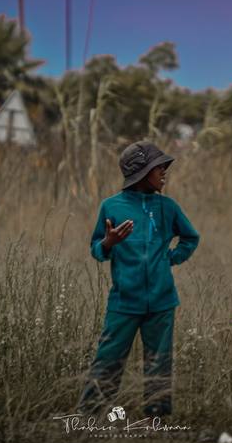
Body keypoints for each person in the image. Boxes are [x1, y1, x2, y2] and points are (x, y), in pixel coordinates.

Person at [77, 141, 199, 417]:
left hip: (162, 301)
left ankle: (157, 418)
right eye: (160, 168)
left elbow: (191, 237)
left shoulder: (168, 207)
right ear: (143, 173)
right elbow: (97, 250)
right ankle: (90, 414)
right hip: (124, 302)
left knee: (159, 363)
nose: (165, 172)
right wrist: (108, 243)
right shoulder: (112, 207)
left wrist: (171, 258)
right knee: (108, 359)